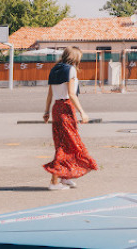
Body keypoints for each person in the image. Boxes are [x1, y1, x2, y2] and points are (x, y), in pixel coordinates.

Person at [43, 46, 98, 190]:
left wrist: (46, 111)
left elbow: (50, 94)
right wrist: (82, 112)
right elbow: (71, 94)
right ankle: (54, 182)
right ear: (74, 58)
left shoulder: (54, 69)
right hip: (66, 108)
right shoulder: (70, 70)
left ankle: (64, 176)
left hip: (56, 108)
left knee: (65, 143)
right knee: (65, 145)